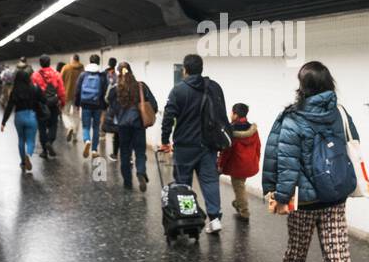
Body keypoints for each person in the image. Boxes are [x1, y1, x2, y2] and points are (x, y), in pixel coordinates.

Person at [261, 61, 359, 262]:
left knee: (296, 250)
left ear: (303, 87)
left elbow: (286, 163)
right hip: (334, 198)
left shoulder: (293, 118)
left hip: (303, 202)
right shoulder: (339, 113)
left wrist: (278, 195)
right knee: (338, 256)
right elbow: (352, 147)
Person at [159, 53, 229, 234]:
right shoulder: (214, 87)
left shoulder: (178, 90)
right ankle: (215, 219)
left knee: (183, 184)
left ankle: (186, 217)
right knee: (210, 181)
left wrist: (165, 140)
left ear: (185, 70)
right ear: (201, 68)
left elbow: (168, 117)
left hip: (185, 146)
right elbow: (221, 114)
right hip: (208, 145)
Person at [105, 62, 158, 191]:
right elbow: (154, 105)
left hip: (122, 127)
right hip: (138, 124)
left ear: (118, 73)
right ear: (131, 71)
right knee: (140, 151)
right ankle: (140, 171)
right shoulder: (141, 86)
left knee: (125, 153)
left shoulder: (115, 89)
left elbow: (108, 103)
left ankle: (128, 183)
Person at [218, 103, 261, 221]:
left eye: (232, 112)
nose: (230, 115)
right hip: (249, 163)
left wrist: (220, 165)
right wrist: (256, 159)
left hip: (237, 165)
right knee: (240, 185)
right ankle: (238, 202)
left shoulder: (231, 131)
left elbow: (226, 151)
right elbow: (258, 146)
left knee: (239, 187)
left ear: (235, 115)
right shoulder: (253, 130)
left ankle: (244, 211)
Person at [0, 68, 48, 171]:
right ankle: (28, 156)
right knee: (31, 140)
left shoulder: (15, 91)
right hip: (31, 116)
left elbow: (9, 107)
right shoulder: (35, 88)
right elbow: (44, 100)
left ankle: (22, 162)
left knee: (21, 139)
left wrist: (3, 122)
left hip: (19, 117)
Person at [75, 54, 110, 159]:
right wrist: (105, 106)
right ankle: (94, 150)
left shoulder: (83, 75)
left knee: (85, 126)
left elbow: (77, 90)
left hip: (85, 104)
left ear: (89, 62)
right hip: (98, 105)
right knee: (95, 127)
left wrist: (77, 104)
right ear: (98, 62)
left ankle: (87, 140)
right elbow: (105, 91)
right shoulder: (102, 75)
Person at [32, 55, 65, 159]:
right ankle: (50, 141)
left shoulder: (35, 75)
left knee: (41, 127)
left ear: (40, 63)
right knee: (53, 125)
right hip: (53, 104)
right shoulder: (56, 74)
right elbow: (61, 91)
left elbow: (32, 91)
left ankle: (44, 151)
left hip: (40, 105)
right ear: (50, 62)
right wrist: (62, 102)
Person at [61, 54, 84, 142]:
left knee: (64, 113)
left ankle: (69, 126)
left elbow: (60, 80)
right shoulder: (82, 69)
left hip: (67, 95)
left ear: (72, 59)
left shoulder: (66, 68)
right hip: (78, 96)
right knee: (76, 115)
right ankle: (75, 136)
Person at [105, 58, 120, 161]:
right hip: (129, 114)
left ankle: (115, 154)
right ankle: (129, 157)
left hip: (115, 108)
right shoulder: (118, 76)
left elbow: (108, 97)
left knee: (117, 133)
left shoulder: (104, 74)